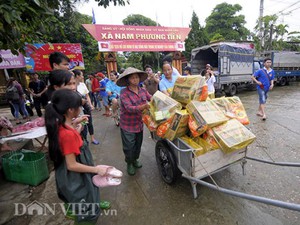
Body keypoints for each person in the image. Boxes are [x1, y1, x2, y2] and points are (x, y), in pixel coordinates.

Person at [44, 89, 119, 224]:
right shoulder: (67, 134)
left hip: (70, 173)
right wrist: (97, 169)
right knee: (87, 210)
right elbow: (72, 165)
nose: (81, 108)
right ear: (71, 110)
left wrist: (75, 127)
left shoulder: (60, 125)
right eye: (79, 106)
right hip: (76, 177)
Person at [116, 67, 151, 176]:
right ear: (128, 80)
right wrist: (144, 106)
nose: (135, 79)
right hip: (127, 124)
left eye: (137, 77)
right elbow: (129, 108)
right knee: (129, 146)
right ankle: (129, 163)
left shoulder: (143, 90)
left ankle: (135, 159)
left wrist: (161, 98)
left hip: (139, 123)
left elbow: (151, 98)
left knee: (138, 144)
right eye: (132, 78)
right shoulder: (124, 92)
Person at [74, 70, 100, 145]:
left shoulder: (82, 84)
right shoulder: (72, 86)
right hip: (78, 109)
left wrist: (90, 104)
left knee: (89, 123)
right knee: (82, 124)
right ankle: (84, 139)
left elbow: (87, 95)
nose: (82, 77)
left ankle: (92, 138)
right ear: (77, 76)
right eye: (81, 75)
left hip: (86, 107)